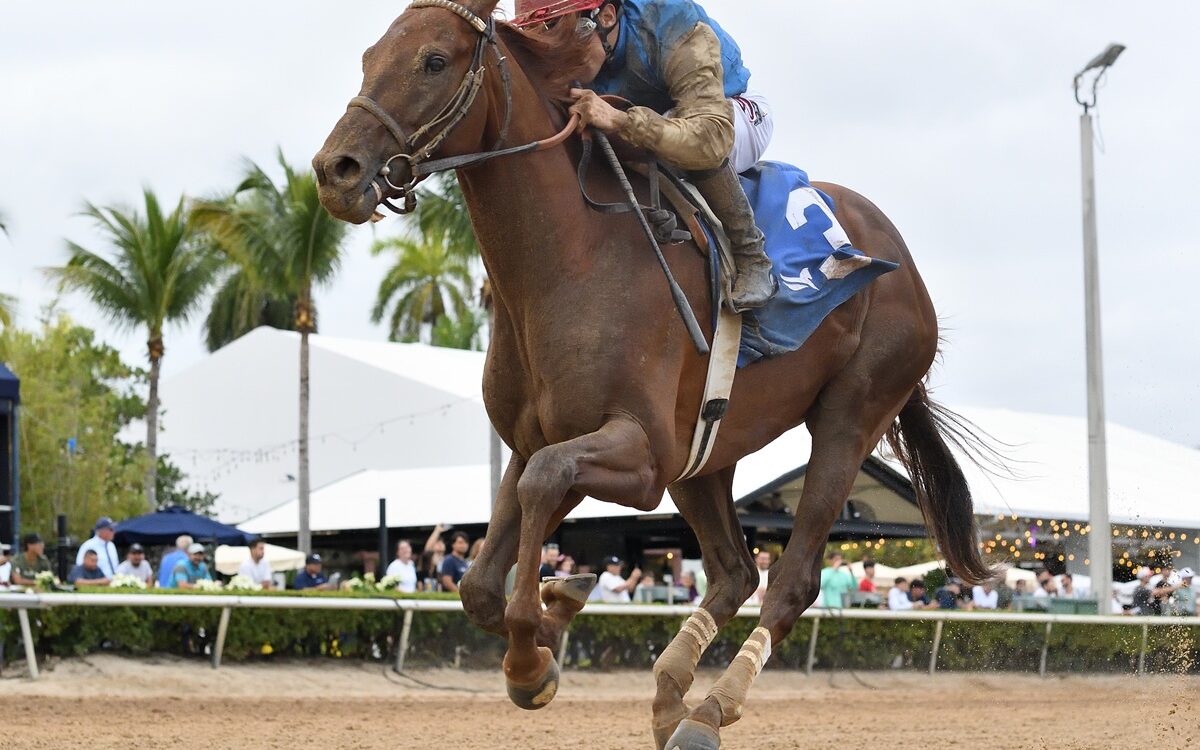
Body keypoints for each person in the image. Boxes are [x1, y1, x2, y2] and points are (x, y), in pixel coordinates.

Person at [515, 0, 776, 312]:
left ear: (606, 16)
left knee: (675, 129)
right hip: (663, 120)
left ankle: (752, 256)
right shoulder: (585, 44)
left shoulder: (671, 21)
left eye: (561, 35)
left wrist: (621, 121)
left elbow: (711, 137)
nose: (556, 59)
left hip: (732, 114)